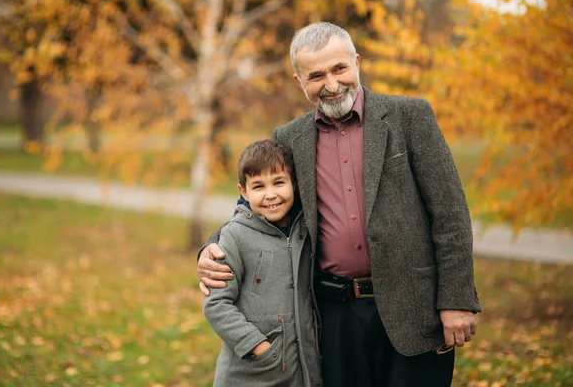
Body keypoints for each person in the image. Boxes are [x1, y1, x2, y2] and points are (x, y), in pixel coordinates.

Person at [199, 22, 481, 387]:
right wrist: (212, 245)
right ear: (300, 81)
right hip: (334, 316)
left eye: (339, 69)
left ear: (357, 62)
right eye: (316, 75)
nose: (331, 84)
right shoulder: (289, 137)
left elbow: (451, 214)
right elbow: (256, 204)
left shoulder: (410, 116)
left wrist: (456, 299)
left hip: (416, 308)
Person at [203, 139, 322, 387]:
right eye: (258, 186)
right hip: (249, 374)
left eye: (279, 182)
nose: (271, 195)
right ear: (244, 192)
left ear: (294, 184)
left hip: (301, 373)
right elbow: (216, 304)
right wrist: (260, 347)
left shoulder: (306, 230)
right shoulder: (235, 236)